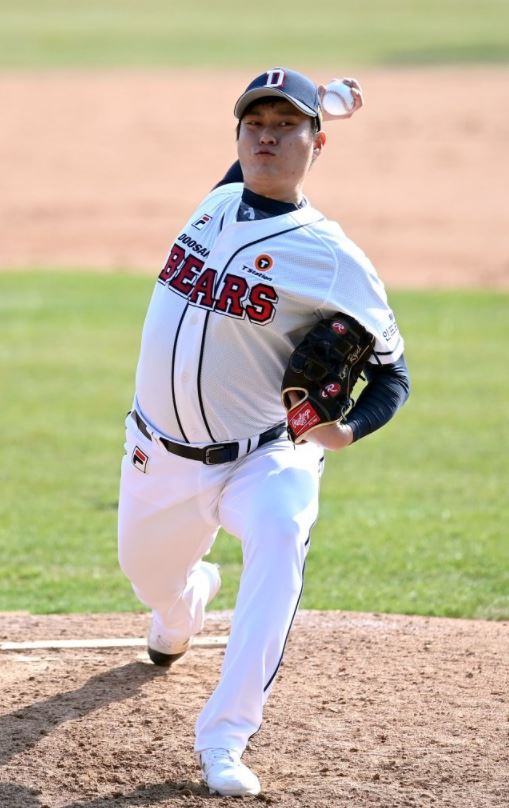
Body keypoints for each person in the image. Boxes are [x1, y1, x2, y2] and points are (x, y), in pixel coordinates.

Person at [117, 67, 410, 797]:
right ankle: (183, 604)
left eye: (286, 127)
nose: (267, 138)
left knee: (280, 536)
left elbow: (394, 375)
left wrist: (347, 431)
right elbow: (253, 173)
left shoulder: (333, 258)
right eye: (255, 125)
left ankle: (225, 735)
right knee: (150, 579)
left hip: (267, 455)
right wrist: (324, 103)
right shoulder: (217, 201)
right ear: (238, 138)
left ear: (317, 145)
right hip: (160, 457)